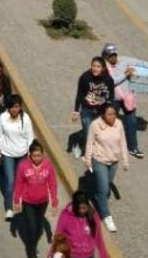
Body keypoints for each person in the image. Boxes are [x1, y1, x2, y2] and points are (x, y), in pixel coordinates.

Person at [83, 103, 128, 233]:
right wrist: (87, 160)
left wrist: (125, 160)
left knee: (106, 186)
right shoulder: (95, 125)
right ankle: (106, 216)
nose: (112, 117)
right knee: (103, 189)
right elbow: (90, 143)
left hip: (114, 161)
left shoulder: (118, 124)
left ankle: (98, 197)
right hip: (99, 160)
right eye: (109, 114)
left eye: (114, 114)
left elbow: (123, 142)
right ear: (102, 114)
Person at [13, 140, 58, 258]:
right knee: (32, 228)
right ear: (30, 155)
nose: (37, 158)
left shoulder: (47, 166)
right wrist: (16, 200)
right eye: (34, 156)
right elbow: (18, 183)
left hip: (43, 202)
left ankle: (32, 243)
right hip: (28, 202)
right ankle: (31, 252)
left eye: (39, 155)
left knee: (39, 229)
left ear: (43, 154)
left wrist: (54, 202)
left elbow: (52, 184)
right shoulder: (23, 166)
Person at [0, 94, 34, 220]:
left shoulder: (26, 118)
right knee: (10, 181)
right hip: (7, 154)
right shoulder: (3, 118)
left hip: (22, 154)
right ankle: (9, 208)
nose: (14, 109)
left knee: (21, 180)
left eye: (17, 107)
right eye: (12, 107)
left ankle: (20, 199)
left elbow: (30, 137)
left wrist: (30, 154)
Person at [102, 43, 144, 158]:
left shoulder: (124, 60)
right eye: (110, 55)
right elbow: (112, 82)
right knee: (109, 123)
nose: (113, 57)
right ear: (105, 56)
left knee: (132, 123)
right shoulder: (103, 67)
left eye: (115, 54)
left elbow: (138, 62)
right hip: (113, 100)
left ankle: (133, 148)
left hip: (128, 98)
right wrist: (126, 74)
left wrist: (146, 68)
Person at [70, 57, 115, 159]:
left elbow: (111, 96)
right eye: (93, 66)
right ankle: (85, 151)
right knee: (88, 131)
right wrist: (76, 111)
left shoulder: (108, 80)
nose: (95, 68)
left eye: (98, 66)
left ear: (103, 68)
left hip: (101, 110)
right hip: (87, 109)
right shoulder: (85, 77)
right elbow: (80, 94)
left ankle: (92, 148)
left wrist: (110, 109)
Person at [54, 191, 107, 258]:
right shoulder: (65, 215)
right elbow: (58, 237)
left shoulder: (92, 216)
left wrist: (104, 256)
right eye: (79, 208)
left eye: (84, 208)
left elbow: (99, 238)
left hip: (89, 255)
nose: (82, 211)